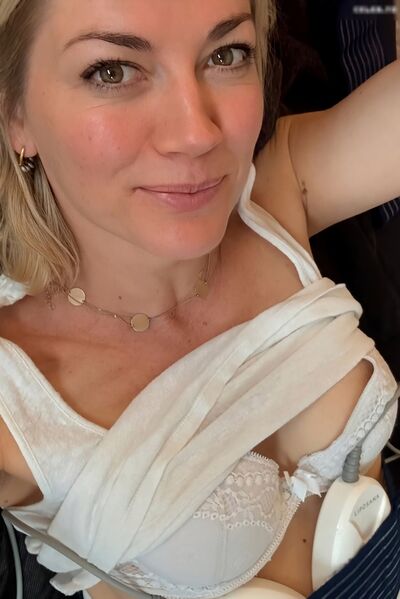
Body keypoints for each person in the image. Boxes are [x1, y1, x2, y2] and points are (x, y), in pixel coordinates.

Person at [0, 1, 399, 598]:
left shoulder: (278, 189)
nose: (196, 133)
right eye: (112, 71)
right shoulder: (18, 403)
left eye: (226, 54)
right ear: (15, 114)